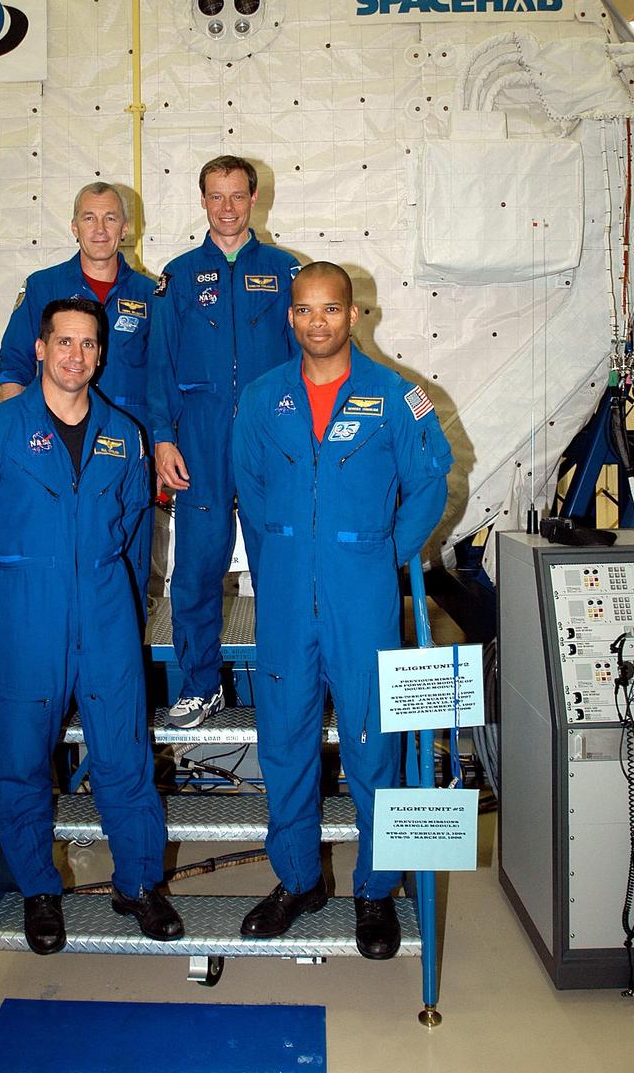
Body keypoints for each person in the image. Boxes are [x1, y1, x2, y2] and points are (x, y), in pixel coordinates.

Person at [0, 298, 182, 954]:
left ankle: (137, 885)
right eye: (64, 342)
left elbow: (135, 522)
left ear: (100, 355)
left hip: (106, 611)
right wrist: (5, 580)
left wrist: (120, 593)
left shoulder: (123, 434)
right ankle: (39, 892)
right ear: (41, 350)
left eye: (88, 344)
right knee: (20, 765)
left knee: (125, 759)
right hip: (27, 611)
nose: (77, 355)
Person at [232, 262, 452, 959]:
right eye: (303, 310)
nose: (315, 321)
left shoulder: (396, 398)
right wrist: (283, 557)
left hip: (363, 601)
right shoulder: (262, 398)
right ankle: (298, 882)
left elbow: (429, 483)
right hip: (288, 598)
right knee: (285, 746)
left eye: (329, 309)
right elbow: (251, 486)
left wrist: (381, 552)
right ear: (290, 317)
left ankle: (374, 890)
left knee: (373, 745)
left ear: (354, 315)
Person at [148, 155, 299, 728]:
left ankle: (287, 682)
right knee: (195, 569)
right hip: (201, 443)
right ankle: (200, 685)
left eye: (237, 196)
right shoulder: (179, 276)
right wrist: (163, 439)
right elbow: (159, 366)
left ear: (255, 198)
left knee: (279, 567)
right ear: (203, 201)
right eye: (216, 196)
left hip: (269, 446)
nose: (227, 208)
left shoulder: (285, 272)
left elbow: (304, 361)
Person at [0, 183, 155, 615]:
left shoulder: (152, 295)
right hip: (54, 451)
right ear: (73, 226)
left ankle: (118, 667)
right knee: (53, 561)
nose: (100, 229)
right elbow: (13, 365)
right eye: (89, 217)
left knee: (126, 567)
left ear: (125, 228)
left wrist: (161, 446)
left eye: (109, 219)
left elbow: (165, 380)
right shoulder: (42, 287)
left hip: (124, 457)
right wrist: (17, 441)